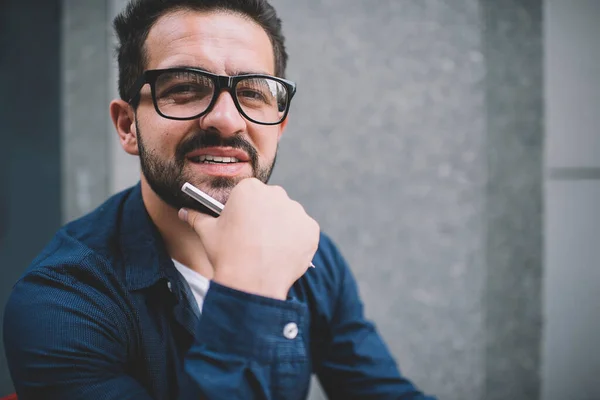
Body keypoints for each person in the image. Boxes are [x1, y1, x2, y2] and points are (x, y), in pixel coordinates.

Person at [3, 0, 436, 399]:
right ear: (128, 126)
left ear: (278, 126)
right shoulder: (59, 304)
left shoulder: (311, 255)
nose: (226, 120)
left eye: (252, 92)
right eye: (184, 88)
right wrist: (252, 288)